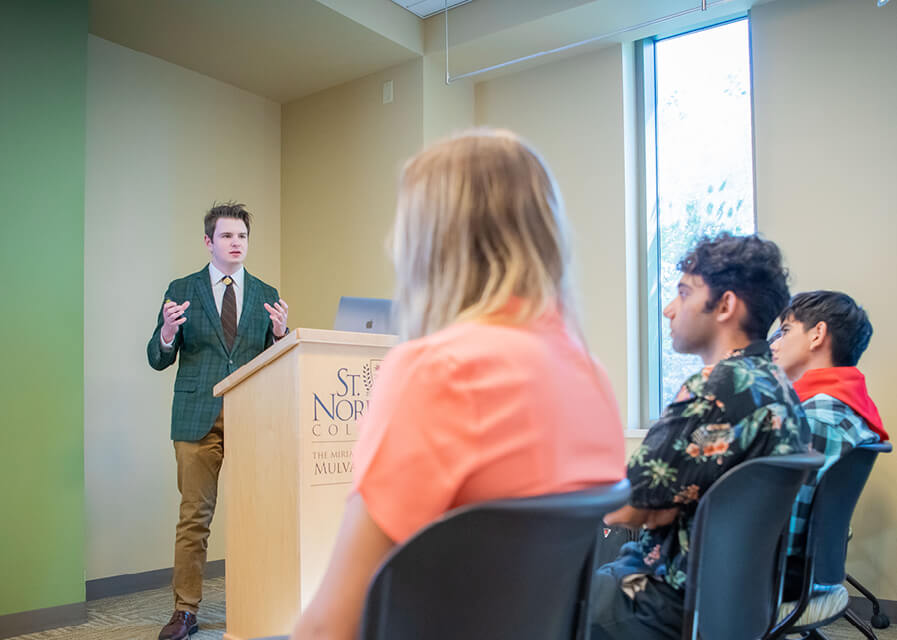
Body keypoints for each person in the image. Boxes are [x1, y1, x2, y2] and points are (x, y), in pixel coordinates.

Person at [289, 129, 627, 640]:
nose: (390, 245)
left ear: (430, 244)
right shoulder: (592, 376)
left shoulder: (436, 371)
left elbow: (330, 628)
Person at [590, 233, 810, 640]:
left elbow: (623, 510)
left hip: (660, 599)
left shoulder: (717, 388)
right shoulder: (776, 385)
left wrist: (651, 507)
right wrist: (655, 506)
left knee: (518, 595)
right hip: (731, 602)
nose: (670, 310)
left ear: (725, 305)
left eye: (683, 293)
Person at [147, 202, 289, 640]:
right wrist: (168, 333)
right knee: (194, 516)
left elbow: (275, 365)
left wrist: (283, 336)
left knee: (259, 515)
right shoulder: (182, 288)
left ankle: (262, 601)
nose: (236, 243)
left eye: (242, 237)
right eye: (227, 236)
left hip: (251, 418)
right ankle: (185, 610)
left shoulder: (266, 293)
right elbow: (157, 356)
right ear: (209, 242)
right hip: (196, 419)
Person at [770, 291, 887, 566]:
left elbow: (783, 537)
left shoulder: (815, 417)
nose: (773, 345)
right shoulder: (843, 405)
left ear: (817, 334)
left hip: (775, 578)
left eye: (785, 331)